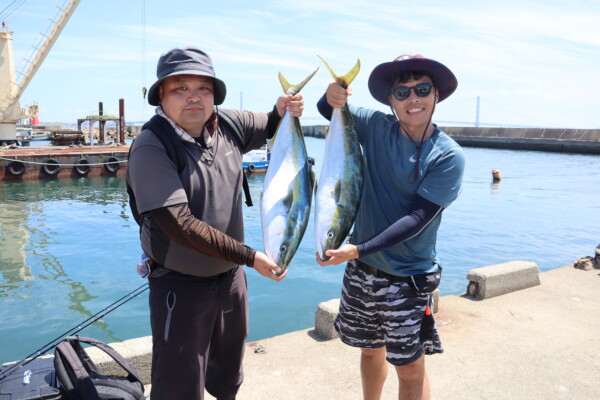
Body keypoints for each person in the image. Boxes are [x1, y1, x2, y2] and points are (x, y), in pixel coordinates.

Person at [126, 47, 304, 400]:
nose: (193, 97)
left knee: (228, 377)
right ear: (160, 95)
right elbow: (181, 225)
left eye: (203, 88)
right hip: (181, 286)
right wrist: (251, 257)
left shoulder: (229, 123)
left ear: (214, 94)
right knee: (180, 387)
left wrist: (284, 109)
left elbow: (271, 122)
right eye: (180, 88)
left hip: (230, 281)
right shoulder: (151, 146)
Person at [316, 54, 465, 400]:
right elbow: (329, 111)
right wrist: (332, 95)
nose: (413, 99)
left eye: (422, 89)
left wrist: (357, 248)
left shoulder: (447, 156)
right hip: (362, 270)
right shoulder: (375, 126)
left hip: (408, 276)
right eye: (402, 93)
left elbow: (418, 219)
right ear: (390, 100)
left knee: (410, 366)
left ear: (436, 95)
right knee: (369, 350)